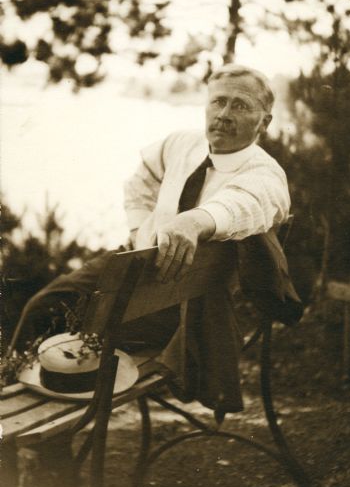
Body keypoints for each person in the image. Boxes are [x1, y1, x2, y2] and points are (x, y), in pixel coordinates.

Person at [10, 64, 290, 355]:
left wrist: (193, 223)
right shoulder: (183, 143)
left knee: (87, 331)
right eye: (218, 101)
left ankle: (49, 389)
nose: (224, 114)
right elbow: (140, 182)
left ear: (264, 122)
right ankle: (10, 390)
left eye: (240, 105)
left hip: (182, 302)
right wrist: (140, 229)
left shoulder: (265, 174)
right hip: (133, 263)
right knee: (43, 307)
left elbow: (242, 204)